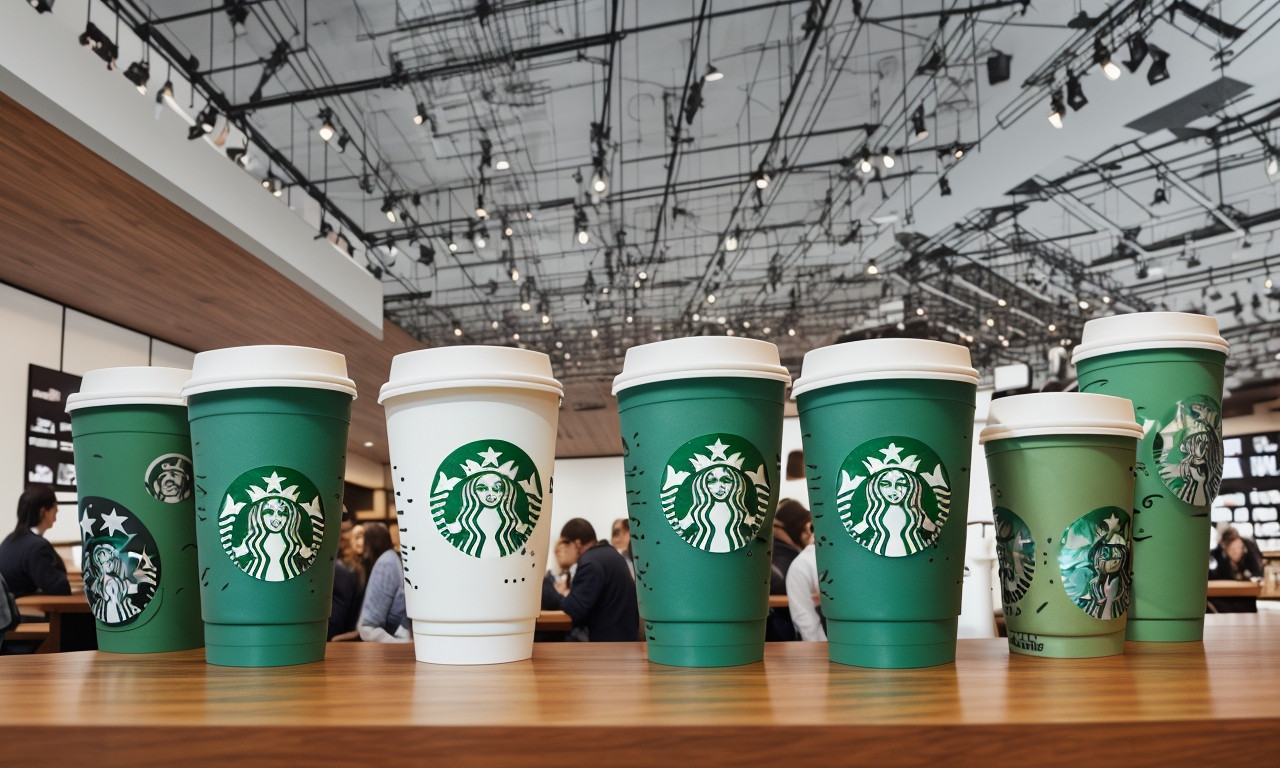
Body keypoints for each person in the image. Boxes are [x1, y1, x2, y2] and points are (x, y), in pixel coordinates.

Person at [548, 518, 638, 641]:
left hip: (608, 647)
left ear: (577, 544)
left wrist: (556, 595)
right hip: (623, 640)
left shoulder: (590, 563)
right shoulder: (609, 554)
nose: (562, 550)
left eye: (565, 544)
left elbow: (575, 610)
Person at [0, 485, 70, 598]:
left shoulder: (9, 540)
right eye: (55, 511)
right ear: (43, 512)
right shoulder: (37, 547)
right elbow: (60, 588)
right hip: (26, 612)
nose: (55, 518)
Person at [357, 523, 409, 643]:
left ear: (370, 542)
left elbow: (369, 627)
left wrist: (400, 647)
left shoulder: (386, 562)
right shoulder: (392, 558)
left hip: (391, 648)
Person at [786, 518, 825, 641]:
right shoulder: (803, 563)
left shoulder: (801, 563)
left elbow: (804, 619)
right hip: (823, 645)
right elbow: (805, 621)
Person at [1209, 527, 1264, 613]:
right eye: (1234, 549)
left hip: (1243, 597)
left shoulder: (1246, 559)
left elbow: (1257, 573)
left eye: (1240, 548)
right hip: (1222, 600)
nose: (1238, 552)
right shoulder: (1215, 559)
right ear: (1225, 547)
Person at [329, 509, 363, 640]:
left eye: (348, 531)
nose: (345, 536)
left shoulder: (362, 562)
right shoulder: (335, 566)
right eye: (340, 531)